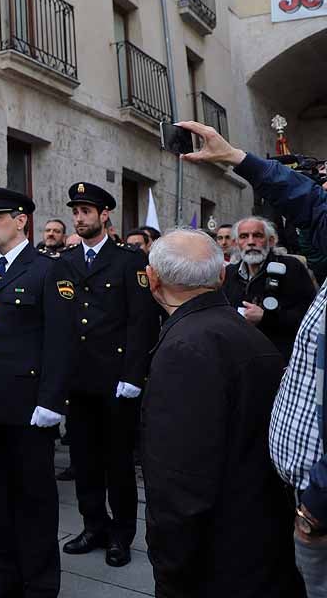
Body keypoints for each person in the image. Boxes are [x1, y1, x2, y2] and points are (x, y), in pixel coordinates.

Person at [179, 119, 327, 593]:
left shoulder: (288, 268)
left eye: (253, 238)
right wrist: (238, 159)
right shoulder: (229, 273)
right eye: (240, 238)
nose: (247, 245)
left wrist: (316, 510)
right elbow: (313, 205)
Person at [142, 229, 304, 597]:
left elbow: (180, 478)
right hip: (260, 543)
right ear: (220, 277)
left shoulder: (187, 347)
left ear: (152, 279)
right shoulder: (239, 332)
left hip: (216, 559)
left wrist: (170, 569)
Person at [0, 188, 73, 598]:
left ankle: (40, 583)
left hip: (29, 408)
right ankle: (4, 574)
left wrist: (51, 401)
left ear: (21, 220)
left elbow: (61, 342)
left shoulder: (47, 271)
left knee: (34, 499)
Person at [58, 182, 154, 568]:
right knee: (83, 459)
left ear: (104, 215)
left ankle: (121, 534)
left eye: (87, 211)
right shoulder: (65, 262)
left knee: (117, 463)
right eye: (76, 211)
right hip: (80, 380)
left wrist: (133, 374)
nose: (80, 217)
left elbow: (141, 321)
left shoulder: (128, 260)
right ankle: (93, 525)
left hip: (116, 380)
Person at [223, 215, 317, 361]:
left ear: (271, 241)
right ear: (236, 243)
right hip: (240, 358)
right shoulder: (229, 273)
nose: (251, 242)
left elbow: (308, 317)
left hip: (280, 359)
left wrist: (265, 317)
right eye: (244, 236)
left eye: (258, 235)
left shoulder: (291, 268)